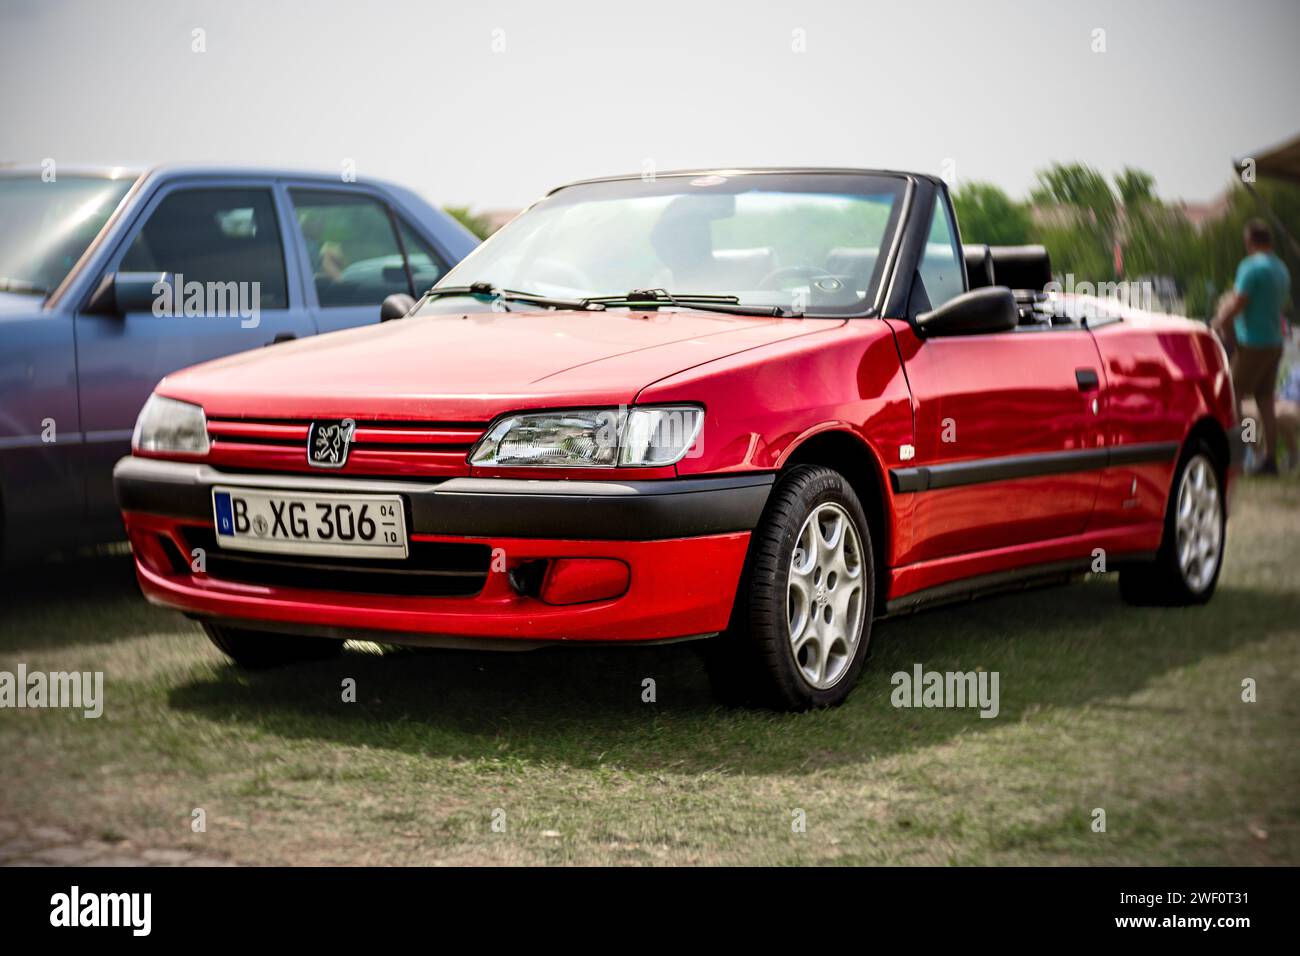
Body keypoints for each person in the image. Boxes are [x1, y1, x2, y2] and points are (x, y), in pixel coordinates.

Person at [1214, 219, 1292, 474]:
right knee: (1265, 401)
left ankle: (1244, 453)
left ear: (1250, 242)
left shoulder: (1251, 267)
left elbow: (1239, 302)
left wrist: (1218, 322)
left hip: (1254, 343)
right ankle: (1270, 459)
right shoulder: (1281, 268)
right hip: (1275, 342)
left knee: (1235, 395)